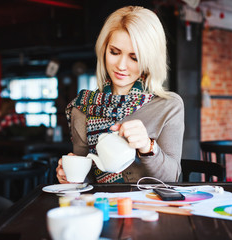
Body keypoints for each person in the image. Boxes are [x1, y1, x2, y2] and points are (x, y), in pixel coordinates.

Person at [56, 6, 184, 184]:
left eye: (135, 57)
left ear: (150, 60)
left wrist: (148, 146)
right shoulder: (82, 107)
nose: (121, 66)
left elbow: (172, 178)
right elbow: (87, 180)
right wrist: (70, 176)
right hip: (102, 207)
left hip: (150, 207)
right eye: (114, 52)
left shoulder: (168, 106)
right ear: (103, 50)